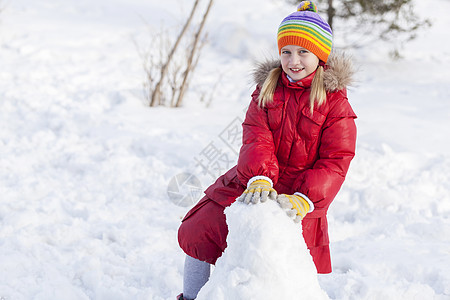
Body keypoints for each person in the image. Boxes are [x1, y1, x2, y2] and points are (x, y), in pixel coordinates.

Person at [176, 1, 357, 299]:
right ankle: (193, 296)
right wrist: (258, 177)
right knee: (201, 230)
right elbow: (256, 136)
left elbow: (336, 160)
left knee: (282, 255)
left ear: (321, 56)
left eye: (303, 52)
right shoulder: (268, 90)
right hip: (254, 182)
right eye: (286, 51)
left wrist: (306, 198)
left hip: (300, 196)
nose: (293, 60)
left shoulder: (336, 104)